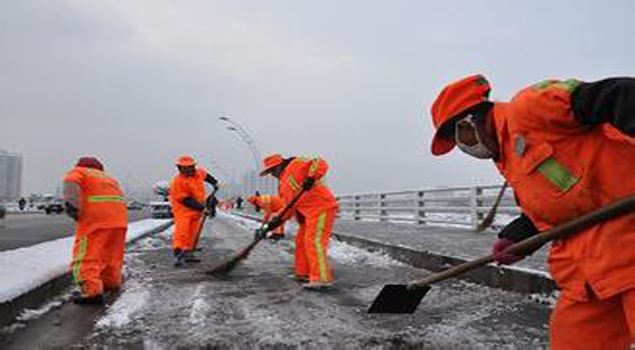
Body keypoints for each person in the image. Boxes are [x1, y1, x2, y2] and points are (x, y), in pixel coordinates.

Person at [429, 75, 635, 348]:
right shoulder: (508, 158)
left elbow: (621, 94)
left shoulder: (531, 108)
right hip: (587, 275)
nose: (466, 149)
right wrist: (516, 238)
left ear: (471, 120)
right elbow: (557, 203)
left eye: (461, 138)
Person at [259, 154, 339, 290]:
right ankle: (303, 272)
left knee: (314, 241)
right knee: (301, 241)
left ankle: (321, 278)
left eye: (272, 170)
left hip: (321, 207)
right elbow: (288, 206)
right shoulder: (282, 185)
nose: (272, 174)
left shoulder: (295, 164)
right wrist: (275, 222)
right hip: (306, 215)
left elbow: (318, 161)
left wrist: (311, 177)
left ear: (279, 166)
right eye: (269, 172)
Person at [62, 157, 128, 305]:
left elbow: (71, 186)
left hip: (95, 221)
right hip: (119, 221)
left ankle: (91, 292)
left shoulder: (78, 171)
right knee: (112, 256)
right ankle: (111, 283)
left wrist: (73, 209)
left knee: (86, 256)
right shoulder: (109, 178)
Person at [169, 155, 219, 267]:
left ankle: (189, 253)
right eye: (184, 168)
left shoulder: (199, 173)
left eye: (190, 167)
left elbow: (207, 177)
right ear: (179, 168)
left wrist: (215, 183)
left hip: (197, 211)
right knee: (183, 232)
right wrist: (202, 208)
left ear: (193, 166)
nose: (187, 170)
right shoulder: (177, 182)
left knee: (193, 233)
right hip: (183, 210)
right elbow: (185, 199)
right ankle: (179, 251)